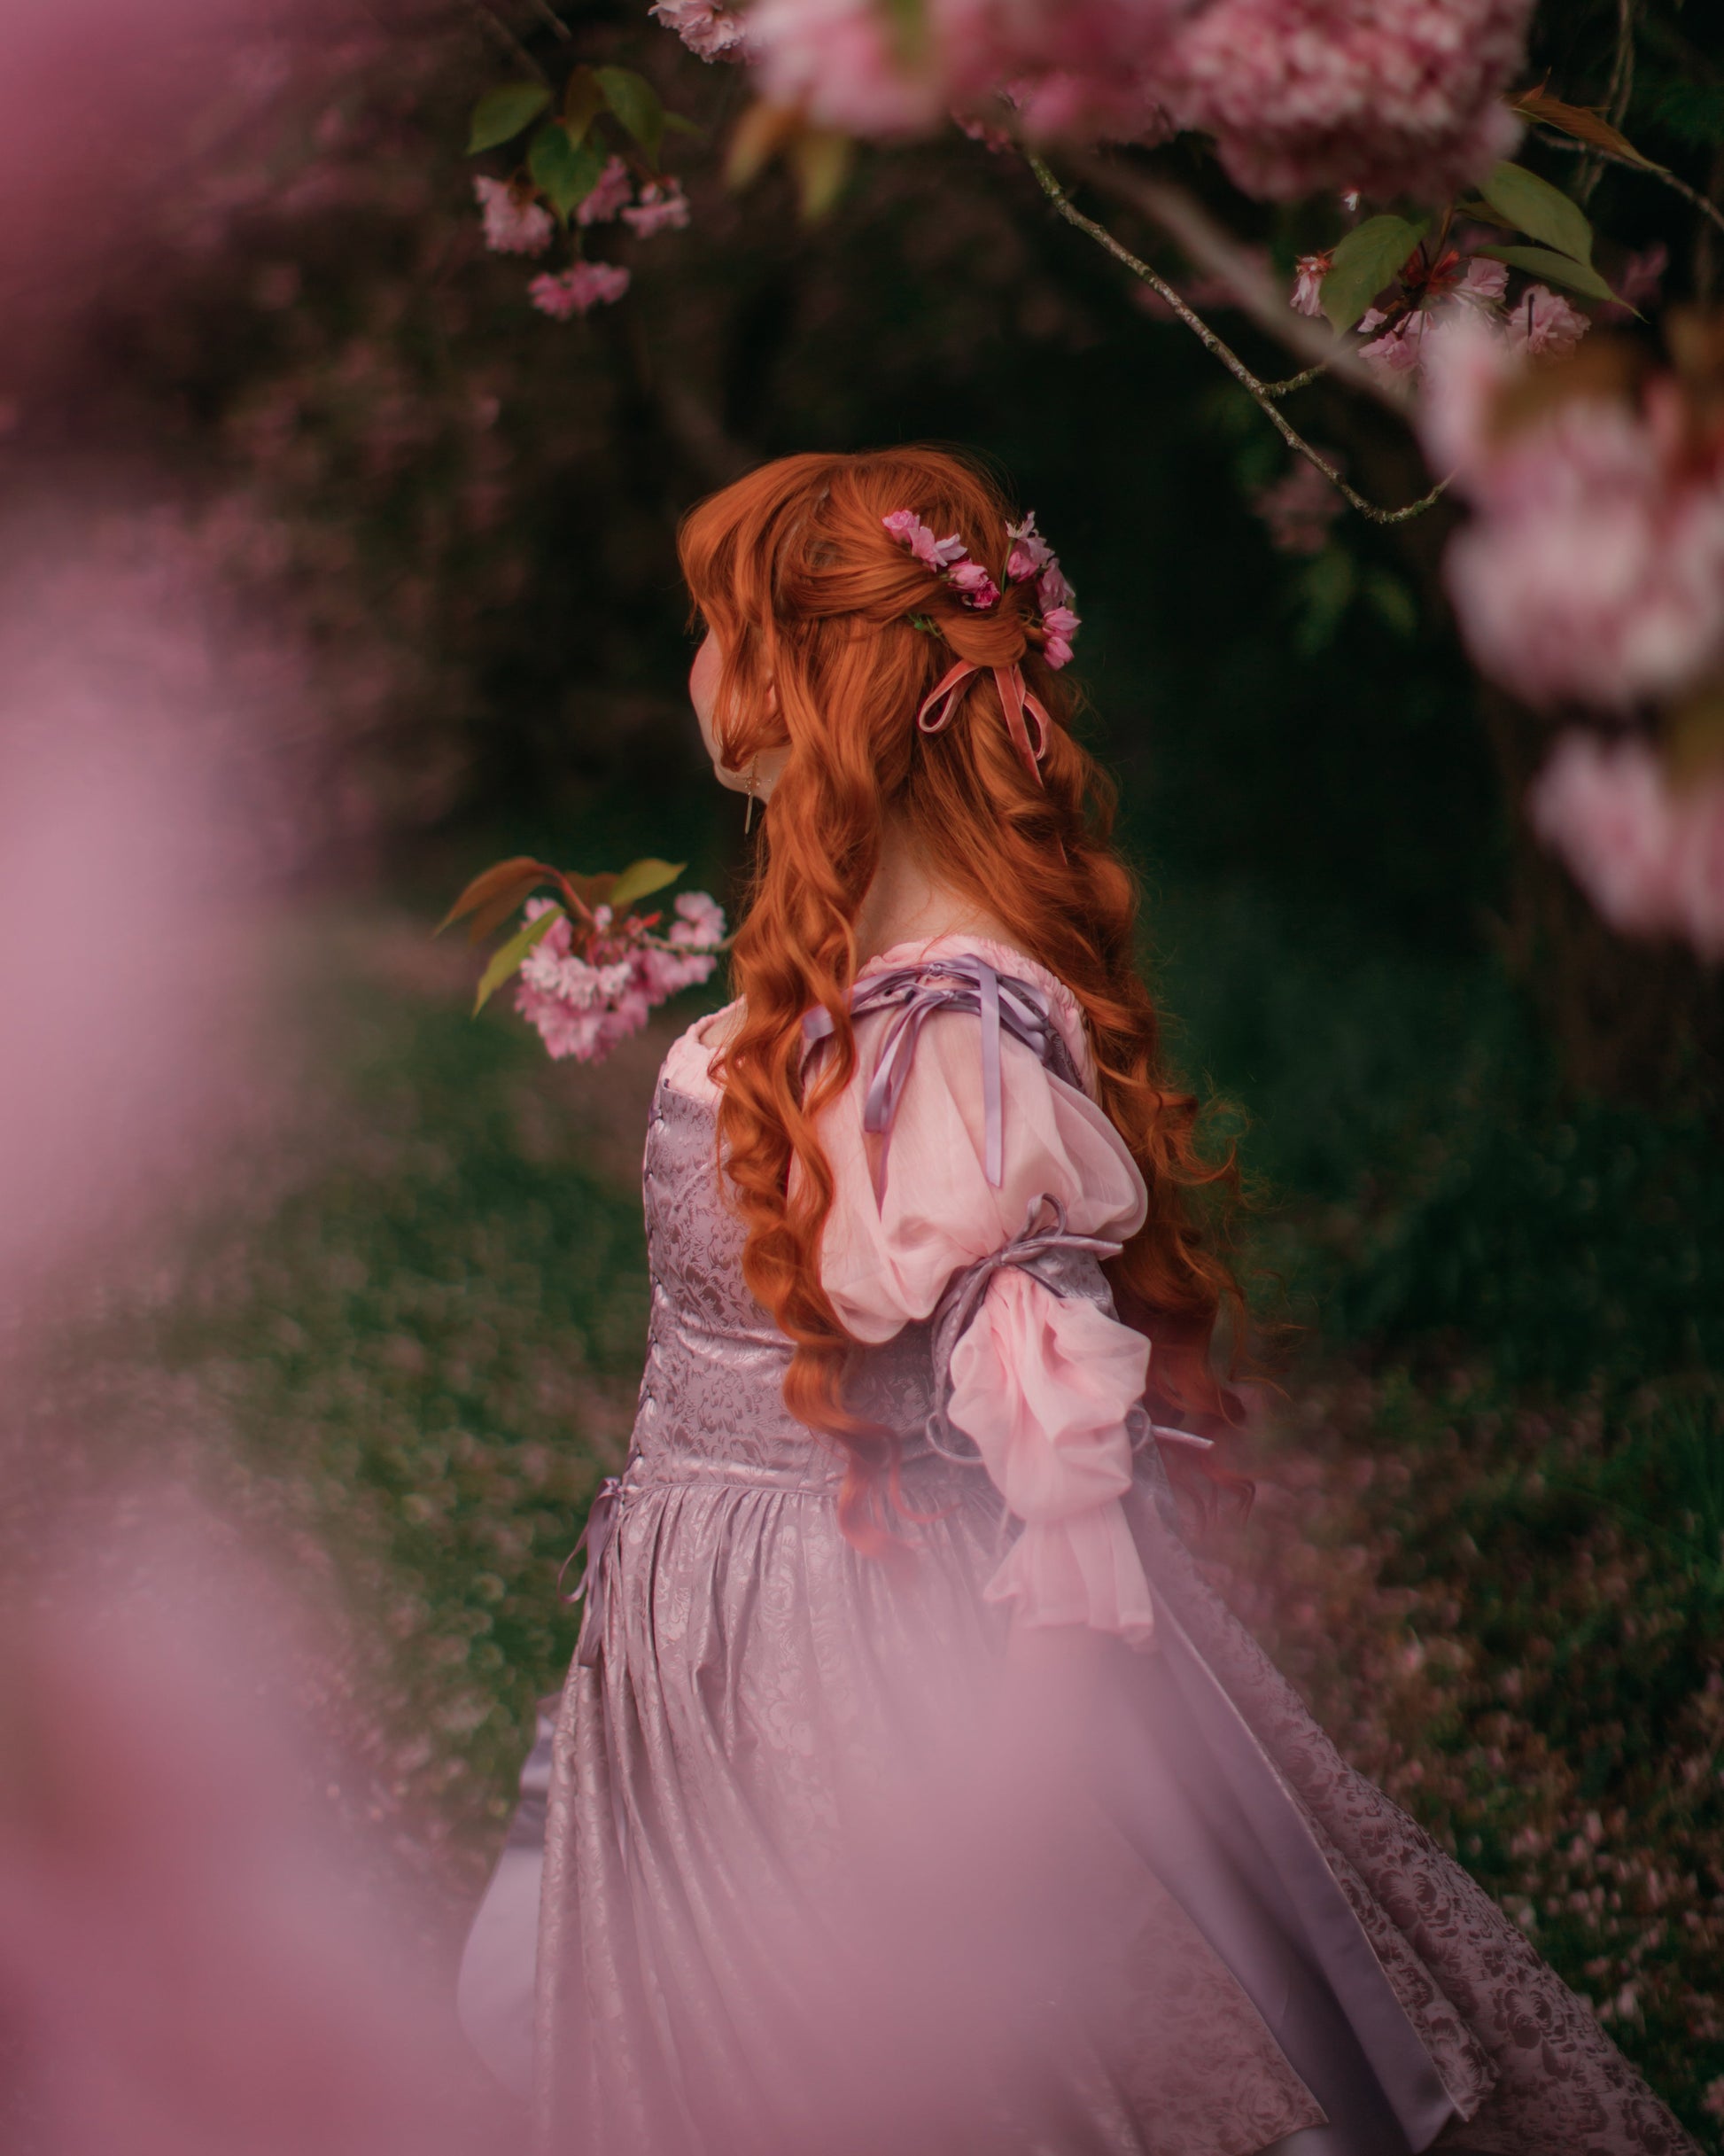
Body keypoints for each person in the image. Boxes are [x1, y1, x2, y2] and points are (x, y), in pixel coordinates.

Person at [465, 446, 1696, 2156]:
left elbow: (1056, 1472)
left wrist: (1005, 1819)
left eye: (714, 623)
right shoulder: (850, 1004)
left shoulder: (947, 1047)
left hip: (861, 1676)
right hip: (716, 1654)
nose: (689, 665)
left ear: (824, 679)